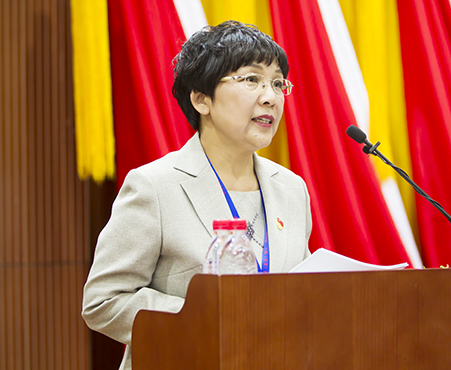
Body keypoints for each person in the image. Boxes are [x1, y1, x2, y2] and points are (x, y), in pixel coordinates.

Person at [82, 21, 312, 370]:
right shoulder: (154, 186)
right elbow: (103, 301)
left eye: (278, 83)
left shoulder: (292, 189)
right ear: (201, 99)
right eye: (252, 79)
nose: (270, 97)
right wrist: (205, 319)